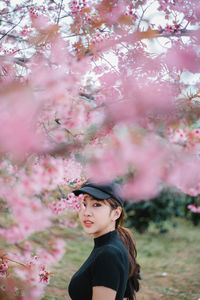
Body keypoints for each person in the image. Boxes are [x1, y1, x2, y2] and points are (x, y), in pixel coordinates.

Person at [68, 180, 141, 300]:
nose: (86, 213)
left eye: (96, 204)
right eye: (84, 204)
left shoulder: (108, 254)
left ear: (116, 214)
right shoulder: (109, 246)